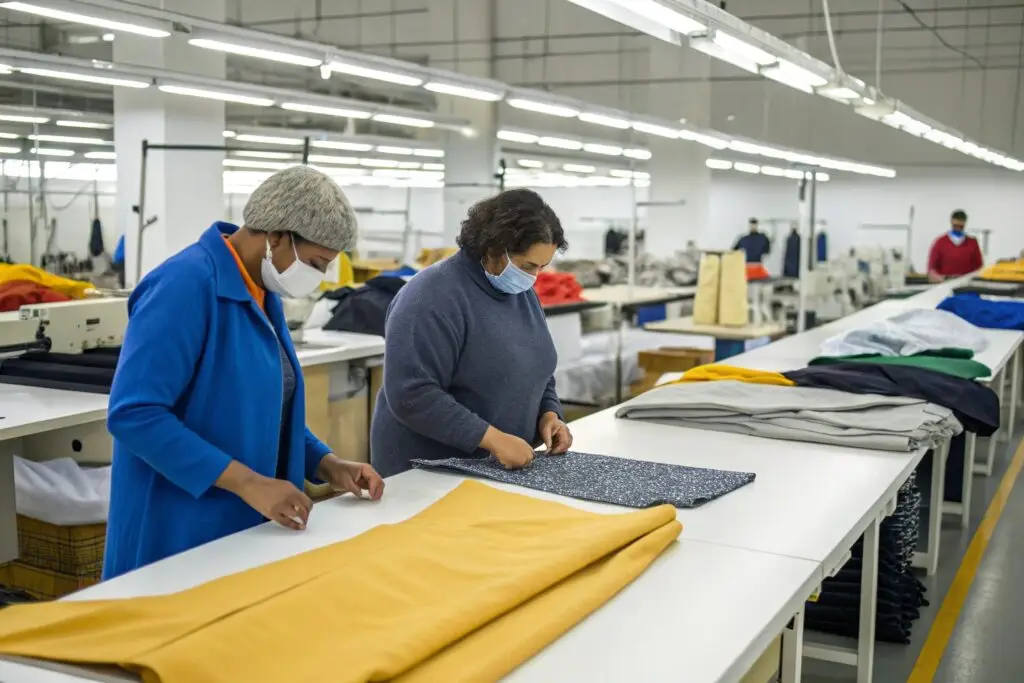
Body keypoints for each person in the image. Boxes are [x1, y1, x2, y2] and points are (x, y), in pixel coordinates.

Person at [104, 166, 384, 579]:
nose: (320, 276)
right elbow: (134, 414)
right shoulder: (184, 285)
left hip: (240, 525)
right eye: (315, 263)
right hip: (176, 529)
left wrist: (328, 464)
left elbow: (266, 410)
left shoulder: (262, 292)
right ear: (276, 237)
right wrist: (249, 483)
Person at [371, 188, 573, 478]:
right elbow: (411, 394)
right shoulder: (431, 297)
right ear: (494, 248)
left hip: (498, 469)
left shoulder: (521, 293)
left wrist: (549, 415)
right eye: (528, 266)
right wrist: (492, 439)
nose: (534, 277)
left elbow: (537, 368)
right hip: (430, 473)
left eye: (542, 267)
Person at [927, 209, 983, 281]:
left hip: (966, 284)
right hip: (945, 283)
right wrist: (938, 278)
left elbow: (979, 268)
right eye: (955, 226)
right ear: (951, 221)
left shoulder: (972, 243)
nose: (958, 228)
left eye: (960, 226)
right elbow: (931, 268)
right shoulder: (940, 242)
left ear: (965, 223)